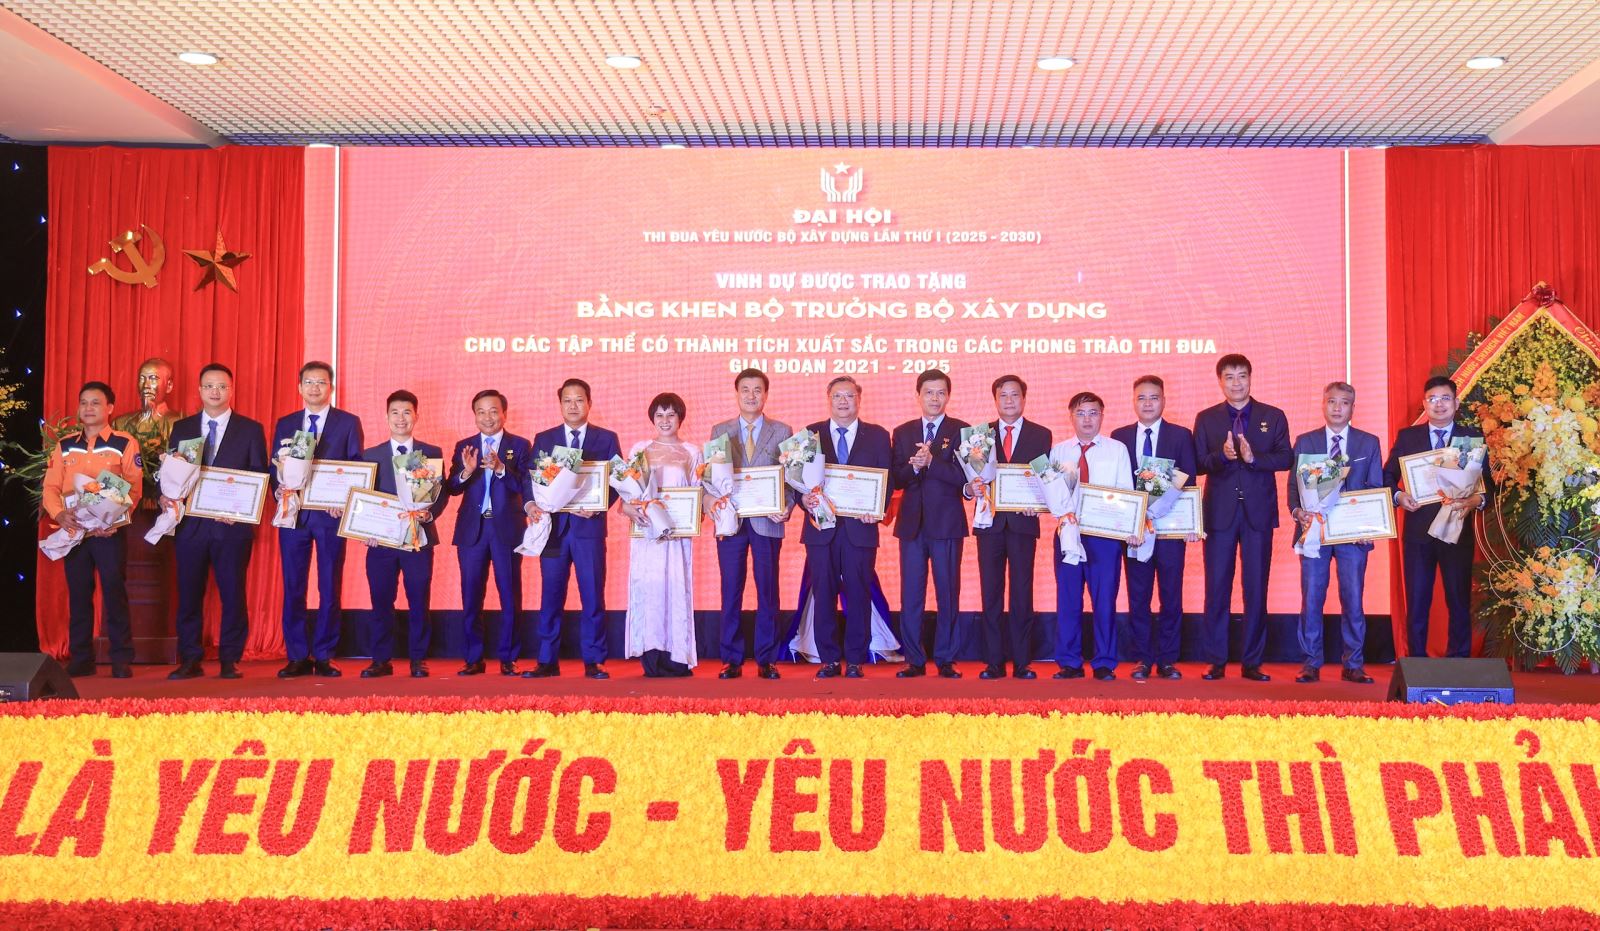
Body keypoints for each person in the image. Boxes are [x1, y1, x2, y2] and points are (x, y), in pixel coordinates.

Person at [164, 363, 269, 679]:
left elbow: (259, 476)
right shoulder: (182, 429)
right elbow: (169, 473)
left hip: (231, 526)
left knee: (233, 593)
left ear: (231, 390)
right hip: (191, 526)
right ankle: (190, 659)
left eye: (222, 386)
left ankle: (230, 659)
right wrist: (166, 495)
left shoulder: (250, 429)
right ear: (199, 390)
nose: (215, 391)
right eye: (209, 386)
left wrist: (240, 510)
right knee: (189, 594)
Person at [1193, 353, 1292, 682]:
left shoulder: (1272, 416)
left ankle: (1252, 661)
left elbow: (1286, 458)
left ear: (1251, 378)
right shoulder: (1206, 418)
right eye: (1229, 377)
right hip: (1219, 514)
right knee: (1216, 588)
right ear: (1220, 381)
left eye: (1242, 376)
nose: (1236, 383)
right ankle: (1216, 660)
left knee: (1256, 588)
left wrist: (1254, 458)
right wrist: (1222, 456)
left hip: (1257, 515)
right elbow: (1197, 464)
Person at [43, 381, 143, 677]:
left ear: (110, 408)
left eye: (95, 402)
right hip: (74, 533)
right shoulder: (65, 446)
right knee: (78, 594)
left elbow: (133, 488)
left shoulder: (124, 443)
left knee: (114, 592)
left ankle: (121, 658)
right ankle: (81, 658)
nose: (88, 408)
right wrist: (60, 514)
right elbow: (50, 487)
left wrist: (111, 521)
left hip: (109, 533)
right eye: (84, 402)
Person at [1383, 376, 1488, 658]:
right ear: (1424, 403)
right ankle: (1416, 663)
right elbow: (1387, 475)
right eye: (1432, 399)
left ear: (1456, 402)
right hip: (1418, 534)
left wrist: (1475, 501)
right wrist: (1399, 496)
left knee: (1458, 600)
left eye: (1445, 398)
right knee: (1417, 602)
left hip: (1457, 530)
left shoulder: (1471, 438)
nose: (1438, 404)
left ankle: (1459, 661)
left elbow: (1486, 483)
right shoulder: (1408, 437)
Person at [525, 378, 622, 679]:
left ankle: (594, 659)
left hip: (588, 528)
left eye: (579, 399)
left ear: (589, 403)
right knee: (550, 595)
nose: (573, 405)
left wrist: (600, 505)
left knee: (592, 594)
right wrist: (531, 505)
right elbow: (532, 479)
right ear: (560, 404)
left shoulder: (606, 438)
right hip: (554, 529)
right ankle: (546, 660)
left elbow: (617, 480)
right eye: (567, 400)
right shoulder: (545, 438)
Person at [272, 361, 364, 679]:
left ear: (331, 387)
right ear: (299, 387)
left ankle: (325, 654)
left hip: (329, 517)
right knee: (293, 586)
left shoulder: (348, 423)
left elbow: (356, 467)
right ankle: (297, 655)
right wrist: (278, 491)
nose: (314, 388)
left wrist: (345, 503)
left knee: (329, 585)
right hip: (294, 515)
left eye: (321, 382)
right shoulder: (285, 424)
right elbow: (275, 466)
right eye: (309, 382)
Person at [1290, 381, 1384, 684]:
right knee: (1312, 598)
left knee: (1353, 599)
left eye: (1344, 402)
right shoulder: (1305, 442)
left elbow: (1375, 487)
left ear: (1353, 408)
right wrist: (1297, 512)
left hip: (1352, 535)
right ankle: (1310, 663)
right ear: (1323, 404)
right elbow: (1293, 487)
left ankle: (1353, 664)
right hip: (1314, 532)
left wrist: (1369, 527)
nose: (1337, 408)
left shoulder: (1368, 443)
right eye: (1331, 401)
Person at [802, 375, 892, 678]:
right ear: (828, 399)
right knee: (823, 593)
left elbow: (887, 479)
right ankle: (828, 659)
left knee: (858, 593)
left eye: (849, 396)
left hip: (860, 529)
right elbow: (797, 481)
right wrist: (803, 499)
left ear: (859, 399)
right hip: (820, 530)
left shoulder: (878, 435)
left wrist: (876, 510)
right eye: (837, 396)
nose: (843, 401)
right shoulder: (810, 434)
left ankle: (855, 659)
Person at [707, 368, 793, 680]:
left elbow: (791, 478)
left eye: (757, 390)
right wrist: (713, 503)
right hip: (731, 522)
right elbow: (709, 478)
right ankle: (731, 658)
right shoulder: (720, 430)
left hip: (767, 522)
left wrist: (786, 506)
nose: (751, 395)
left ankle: (766, 659)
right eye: (745, 389)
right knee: (730, 589)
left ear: (766, 395)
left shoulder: (782, 431)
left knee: (768, 590)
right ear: (737, 393)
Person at [1111, 375, 1197, 680]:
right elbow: (1116, 484)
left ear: (1164, 400)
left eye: (1154, 397)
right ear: (1133, 401)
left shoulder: (1181, 435)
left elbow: (1189, 479)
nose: (1148, 404)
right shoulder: (1119, 436)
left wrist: (1191, 523)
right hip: (1135, 532)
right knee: (1139, 596)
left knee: (1171, 596)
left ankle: (1168, 659)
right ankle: (1143, 658)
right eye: (1141, 398)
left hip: (1170, 531)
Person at [359, 390, 449, 679]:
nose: (401, 418)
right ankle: (380, 660)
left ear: (416, 416)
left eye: (407, 412)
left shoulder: (430, 453)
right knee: (380, 601)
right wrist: (365, 529)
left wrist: (429, 514)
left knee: (419, 600)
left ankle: (418, 659)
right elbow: (362, 498)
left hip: (417, 539)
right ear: (386, 417)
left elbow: (442, 493)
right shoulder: (370, 455)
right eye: (395, 412)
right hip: (381, 542)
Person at [1049, 392, 1136, 680]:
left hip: (1104, 538)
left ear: (1102, 416)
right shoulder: (1059, 452)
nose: (1087, 419)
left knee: (1105, 600)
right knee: (1068, 600)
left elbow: (1125, 493)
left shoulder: (1117, 450)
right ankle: (1069, 662)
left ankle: (1104, 662)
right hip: (1068, 534)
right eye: (1081, 413)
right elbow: (1051, 493)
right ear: (1071, 417)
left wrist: (1127, 526)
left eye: (1093, 413)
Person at [971, 375, 1052, 679]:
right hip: (989, 522)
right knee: (990, 593)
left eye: (1014, 395)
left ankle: (1021, 661)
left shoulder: (1041, 434)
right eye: (1003, 395)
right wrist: (973, 487)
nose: (1009, 401)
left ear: (1024, 399)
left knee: (1022, 592)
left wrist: (1039, 503)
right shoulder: (980, 436)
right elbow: (973, 476)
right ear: (995, 400)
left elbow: (1045, 478)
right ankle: (993, 662)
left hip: (1023, 522)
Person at [890, 368, 969, 678]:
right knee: (911, 595)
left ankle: (946, 658)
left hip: (947, 524)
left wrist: (932, 463)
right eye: (929, 393)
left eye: (940, 393)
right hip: (912, 525)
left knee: (948, 592)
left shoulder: (962, 431)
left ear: (948, 396)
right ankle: (914, 659)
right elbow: (896, 478)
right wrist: (914, 468)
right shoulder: (903, 431)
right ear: (918, 396)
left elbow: (964, 477)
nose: (935, 398)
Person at [446, 389, 531, 676]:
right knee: (471, 595)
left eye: (493, 411)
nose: (487, 417)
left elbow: (525, 486)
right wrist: (466, 472)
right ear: (474, 415)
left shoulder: (520, 445)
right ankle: (473, 657)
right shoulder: (465, 446)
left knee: (509, 595)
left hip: (506, 529)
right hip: (472, 531)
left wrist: (501, 468)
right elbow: (452, 488)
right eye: (481, 412)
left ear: (504, 414)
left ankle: (508, 657)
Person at [620, 393, 702, 676]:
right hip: (646, 536)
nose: (665, 421)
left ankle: (677, 657)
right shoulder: (639, 450)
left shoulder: (692, 452)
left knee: (676, 588)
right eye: (659, 415)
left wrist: (695, 514)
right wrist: (628, 508)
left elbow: (698, 493)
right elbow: (627, 494)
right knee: (649, 589)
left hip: (677, 537)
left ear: (680, 418)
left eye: (671, 415)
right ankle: (651, 656)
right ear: (652, 419)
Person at [111, 356, 182, 504]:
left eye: (153, 379)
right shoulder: (120, 423)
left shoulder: (180, 423)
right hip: (124, 500)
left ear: (169, 385)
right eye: (142, 379)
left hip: (165, 499)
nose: (146, 385)